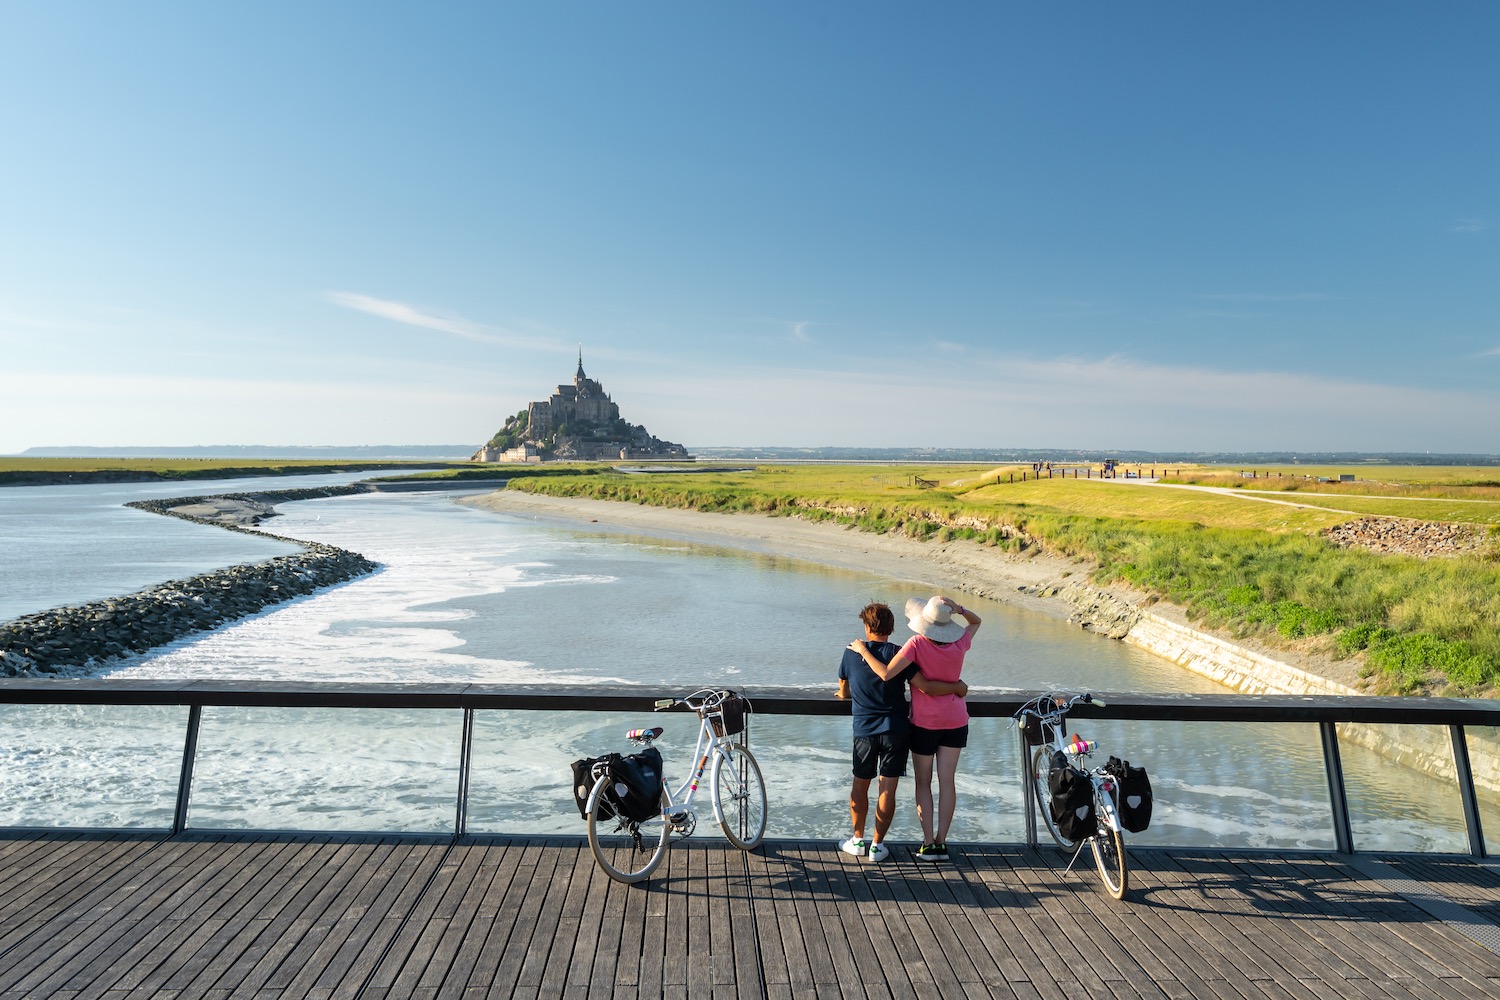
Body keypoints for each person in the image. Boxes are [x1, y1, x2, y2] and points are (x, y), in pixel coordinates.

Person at [847, 595, 981, 862]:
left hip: (925, 723)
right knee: (947, 782)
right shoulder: (960, 642)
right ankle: (942, 843)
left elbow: (885, 674)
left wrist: (862, 651)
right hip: (956, 719)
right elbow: (976, 621)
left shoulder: (917, 643)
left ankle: (928, 843)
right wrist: (959, 609)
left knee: (923, 783)